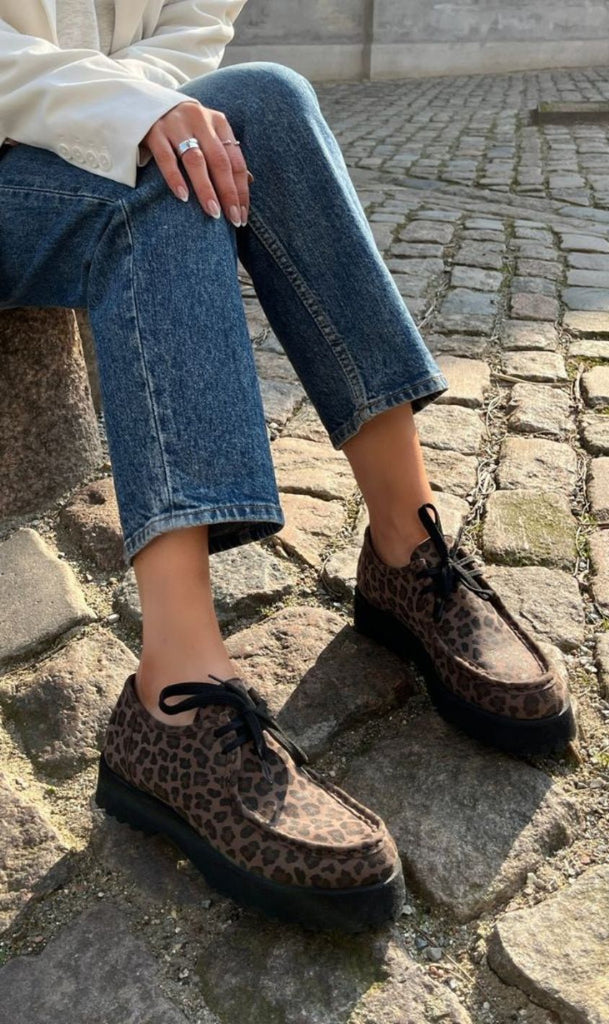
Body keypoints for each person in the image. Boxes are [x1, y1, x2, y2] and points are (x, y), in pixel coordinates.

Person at [0, 0, 576, 933]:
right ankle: (174, 699)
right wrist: (122, 115)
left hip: (89, 125)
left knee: (267, 97)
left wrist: (135, 111)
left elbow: (194, 28)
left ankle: (407, 553)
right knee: (157, 186)